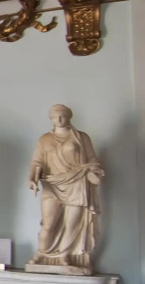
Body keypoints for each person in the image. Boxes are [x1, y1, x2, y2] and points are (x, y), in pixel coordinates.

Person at [28, 104, 103, 271]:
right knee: (48, 224)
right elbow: (37, 162)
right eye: (56, 116)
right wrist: (33, 179)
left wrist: (94, 172)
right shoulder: (44, 139)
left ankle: (64, 255)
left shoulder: (81, 138)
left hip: (77, 183)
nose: (59, 119)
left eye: (62, 115)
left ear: (69, 117)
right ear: (51, 119)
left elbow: (92, 159)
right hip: (52, 184)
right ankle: (42, 253)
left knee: (72, 224)